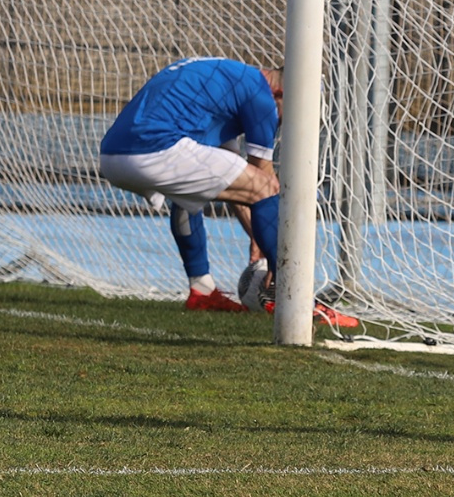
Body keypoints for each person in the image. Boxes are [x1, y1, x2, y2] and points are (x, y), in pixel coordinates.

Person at [98, 57, 357, 328]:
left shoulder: (228, 83)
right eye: (287, 117)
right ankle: (292, 295)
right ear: (281, 95)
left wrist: (259, 237)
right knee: (265, 186)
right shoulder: (261, 98)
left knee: (191, 196)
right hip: (153, 149)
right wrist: (275, 253)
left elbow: (235, 183)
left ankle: (202, 290)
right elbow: (264, 181)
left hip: (113, 156)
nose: (280, 125)